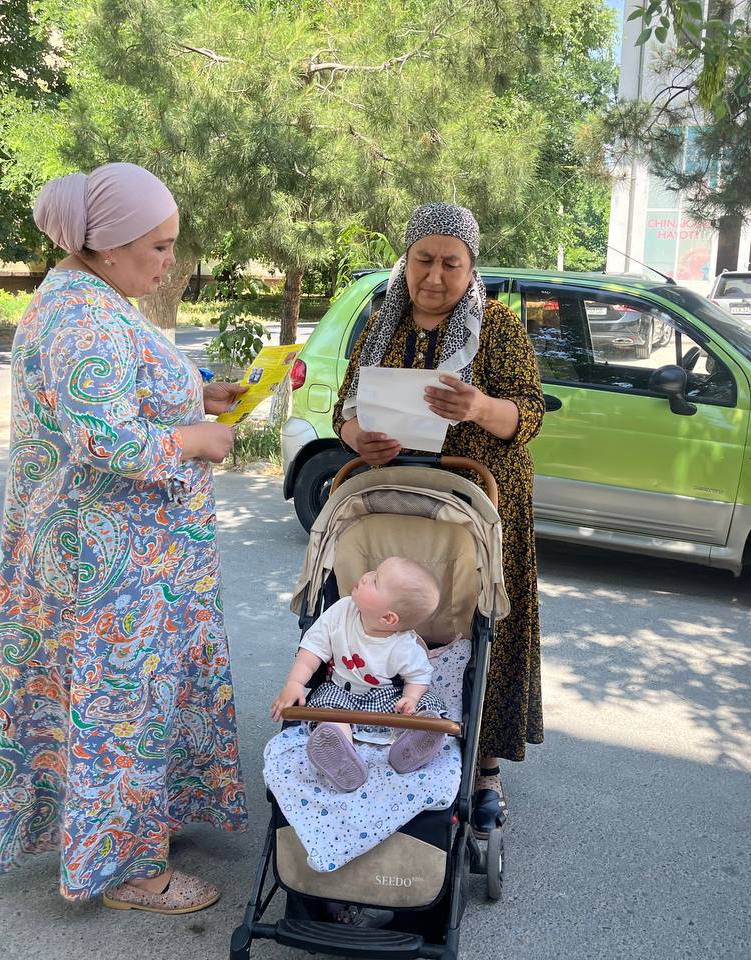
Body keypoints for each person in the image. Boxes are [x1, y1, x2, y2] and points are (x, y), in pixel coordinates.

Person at [0, 162, 247, 915]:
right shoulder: (83, 315)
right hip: (107, 568)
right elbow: (105, 438)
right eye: (158, 247)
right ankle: (133, 873)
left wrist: (199, 393)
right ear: (106, 246)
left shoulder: (92, 297)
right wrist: (195, 440)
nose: (171, 261)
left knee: (129, 707)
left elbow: (120, 389)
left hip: (122, 558)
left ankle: (135, 830)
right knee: (119, 712)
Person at [333, 202, 544, 836]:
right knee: (395, 619)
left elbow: (529, 415)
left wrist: (479, 406)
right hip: (397, 502)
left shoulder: (498, 326)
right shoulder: (383, 323)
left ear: (471, 266)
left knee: (483, 625)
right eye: (423, 259)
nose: (435, 275)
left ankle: (484, 769)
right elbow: (346, 408)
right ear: (406, 260)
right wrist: (357, 438)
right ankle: (382, 735)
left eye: (451, 263)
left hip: (481, 502)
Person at [270, 557, 446, 792]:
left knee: (429, 703)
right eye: (372, 572)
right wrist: (295, 683)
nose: (365, 576)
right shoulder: (341, 612)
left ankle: (410, 747)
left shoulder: (404, 645)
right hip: (342, 691)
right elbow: (312, 650)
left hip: (388, 697)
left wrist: (410, 698)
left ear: (388, 618)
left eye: (375, 581)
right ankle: (339, 753)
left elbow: (418, 676)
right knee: (326, 710)